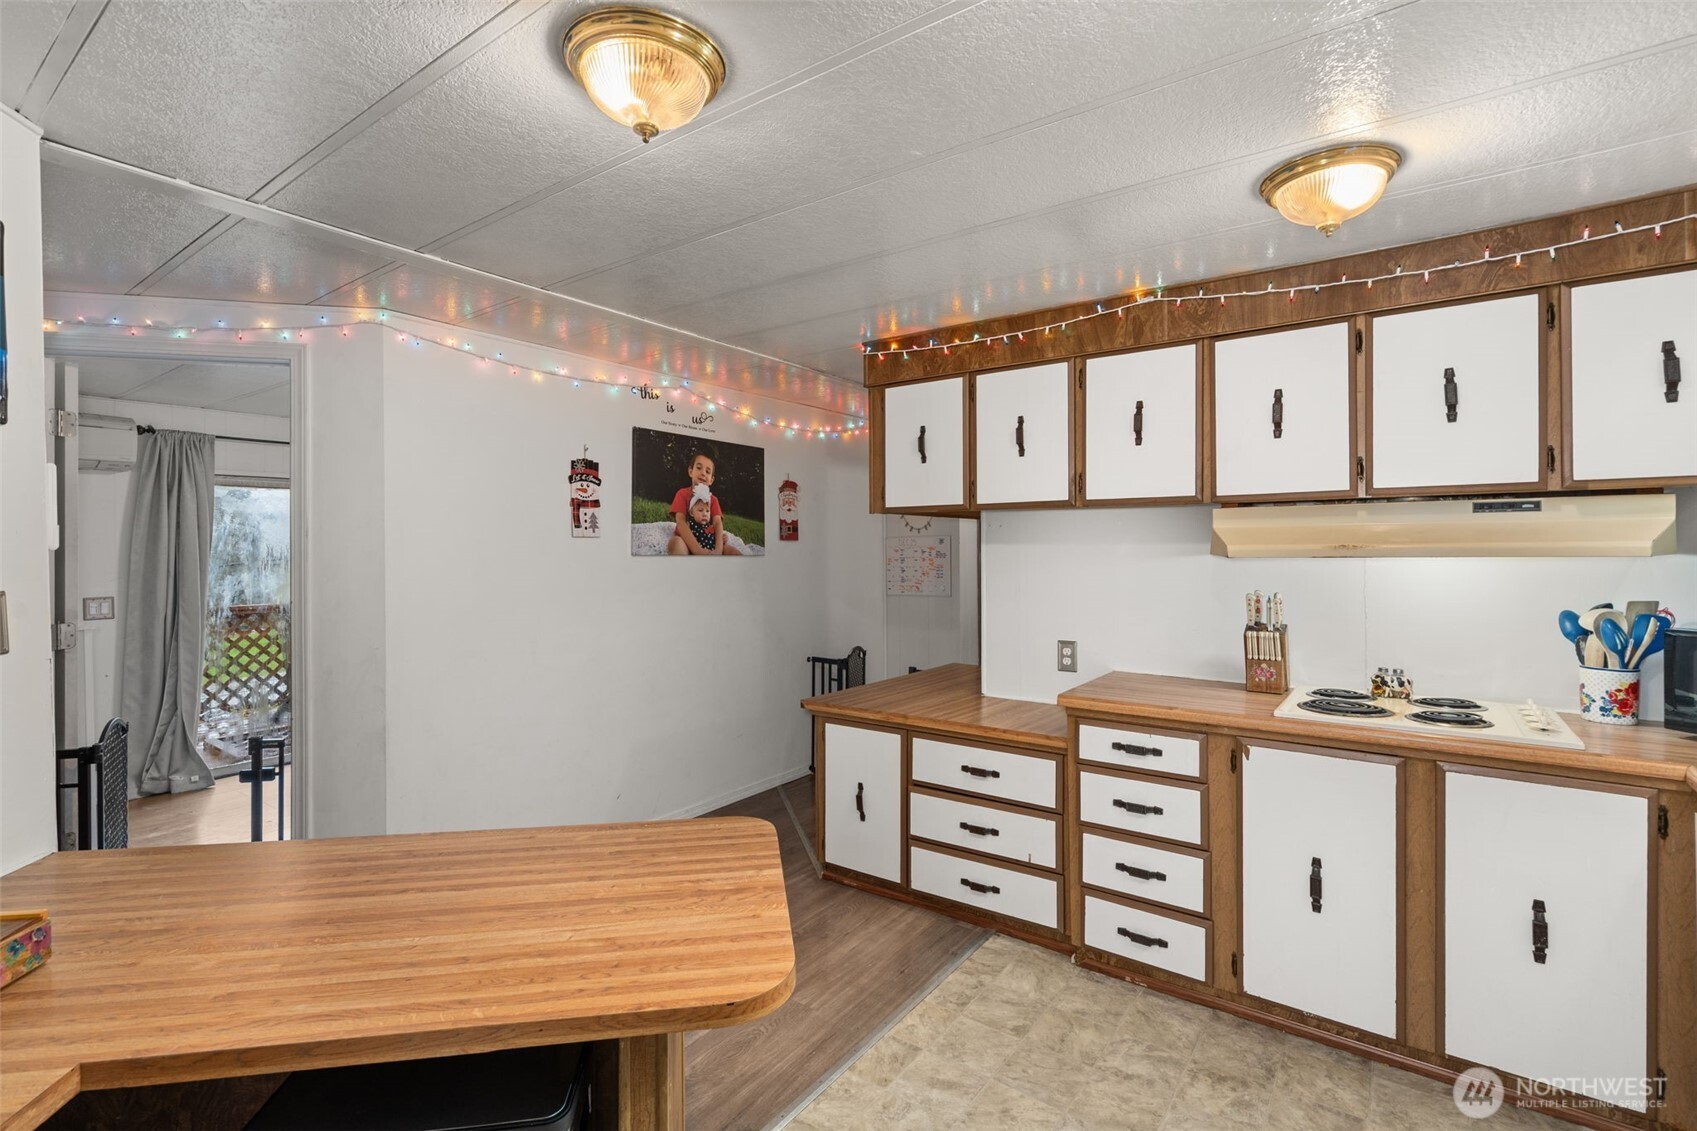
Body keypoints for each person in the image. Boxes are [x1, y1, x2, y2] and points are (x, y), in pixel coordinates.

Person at [666, 450, 740, 555]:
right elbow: (681, 522)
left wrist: (718, 550)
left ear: (711, 480)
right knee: (675, 542)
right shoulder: (682, 494)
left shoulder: (713, 499)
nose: (703, 473)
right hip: (687, 541)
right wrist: (698, 550)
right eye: (699, 468)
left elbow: (717, 523)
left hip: (709, 542)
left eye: (708, 471)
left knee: (731, 550)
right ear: (691, 471)